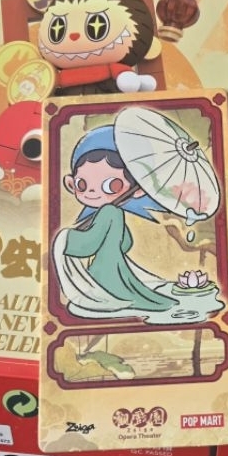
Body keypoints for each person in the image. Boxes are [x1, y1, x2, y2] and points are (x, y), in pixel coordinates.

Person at [53, 125, 176, 318]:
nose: (92, 192)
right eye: (82, 184)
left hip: (105, 273)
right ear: (70, 183)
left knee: (116, 295)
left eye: (111, 185)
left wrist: (66, 238)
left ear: (137, 190)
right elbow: (126, 243)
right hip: (115, 269)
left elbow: (88, 246)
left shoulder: (110, 212)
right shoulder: (113, 212)